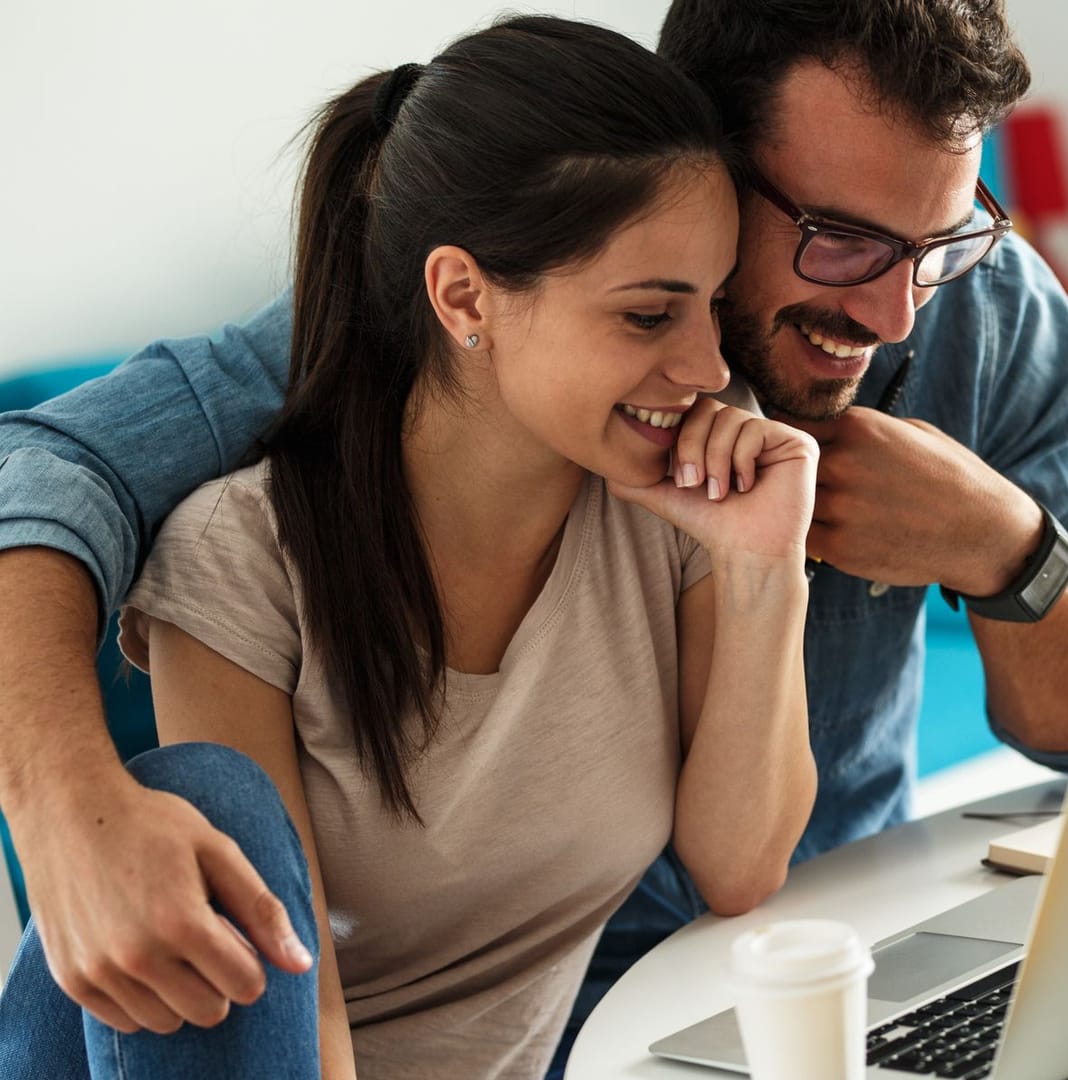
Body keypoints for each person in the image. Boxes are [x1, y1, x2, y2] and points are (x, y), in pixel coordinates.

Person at [0, 0, 1068, 1072]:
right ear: (711, 182)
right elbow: (44, 466)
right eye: (845, 240)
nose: (895, 317)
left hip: (816, 939)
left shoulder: (964, 316)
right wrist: (64, 806)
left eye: (943, 242)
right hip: (576, 1007)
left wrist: (1004, 548)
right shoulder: (411, 339)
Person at [0, 15, 818, 1079]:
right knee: (213, 806)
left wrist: (765, 569)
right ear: (464, 296)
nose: (708, 366)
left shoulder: (670, 505)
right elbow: (308, 1025)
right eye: (648, 316)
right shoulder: (244, 556)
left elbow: (741, 869)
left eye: (711, 305)